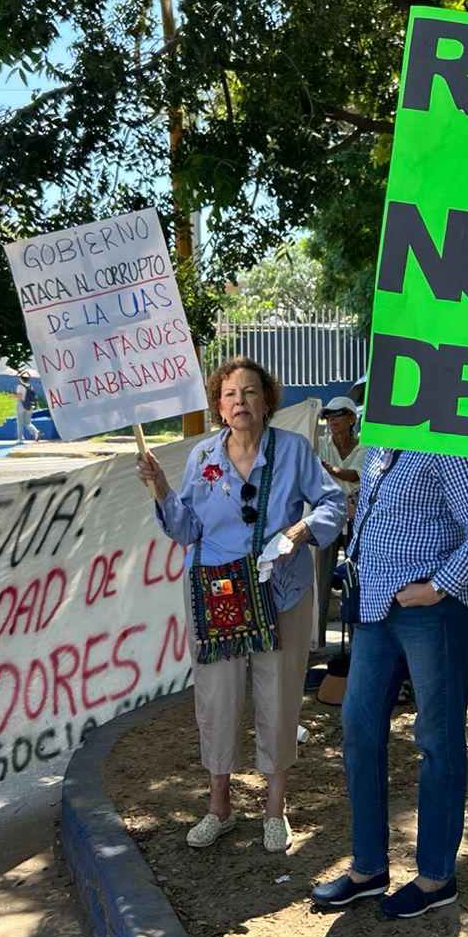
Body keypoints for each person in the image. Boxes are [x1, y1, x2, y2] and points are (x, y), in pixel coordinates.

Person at [137, 357, 346, 853]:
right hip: (219, 595)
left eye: (250, 393)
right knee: (217, 698)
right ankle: (219, 807)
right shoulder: (202, 457)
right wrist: (161, 486)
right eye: (229, 394)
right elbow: (186, 529)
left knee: (279, 697)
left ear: (267, 401)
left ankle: (276, 810)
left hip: (281, 591)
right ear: (218, 405)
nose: (239, 402)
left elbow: (334, 503)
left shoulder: (293, 450)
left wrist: (299, 531)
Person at [310, 447, 468, 919]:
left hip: (432, 611)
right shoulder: (380, 441)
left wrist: (437, 586)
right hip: (377, 609)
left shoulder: (445, 441)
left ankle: (436, 876)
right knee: (358, 731)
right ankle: (368, 869)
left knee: (437, 741)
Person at [314, 395, 367, 639]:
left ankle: (360, 637)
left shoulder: (364, 446)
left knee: (357, 576)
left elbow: (353, 475)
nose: (332, 420)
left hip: (357, 517)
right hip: (328, 515)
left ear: (351, 418)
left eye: (338, 414)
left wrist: (327, 468)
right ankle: (318, 636)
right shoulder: (322, 444)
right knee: (321, 577)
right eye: (328, 416)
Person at [14, 370, 39, 443]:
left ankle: (20, 439)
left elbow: (19, 397)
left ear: (21, 378)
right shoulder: (30, 386)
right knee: (27, 422)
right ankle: (36, 432)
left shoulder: (20, 386)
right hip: (30, 405)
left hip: (21, 405)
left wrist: (12, 396)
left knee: (20, 422)